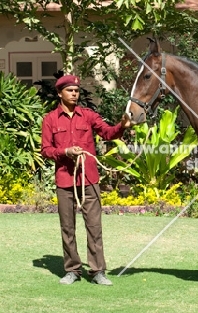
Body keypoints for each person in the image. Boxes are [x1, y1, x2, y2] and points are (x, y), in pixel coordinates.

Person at [41, 75, 131, 285]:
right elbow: (46, 150)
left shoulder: (88, 116)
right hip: (65, 181)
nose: (74, 94)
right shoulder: (50, 119)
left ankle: (97, 271)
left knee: (94, 226)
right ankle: (72, 270)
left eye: (76, 91)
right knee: (67, 227)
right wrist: (66, 151)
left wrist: (123, 125)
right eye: (70, 90)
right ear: (59, 93)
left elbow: (108, 133)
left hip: (89, 179)